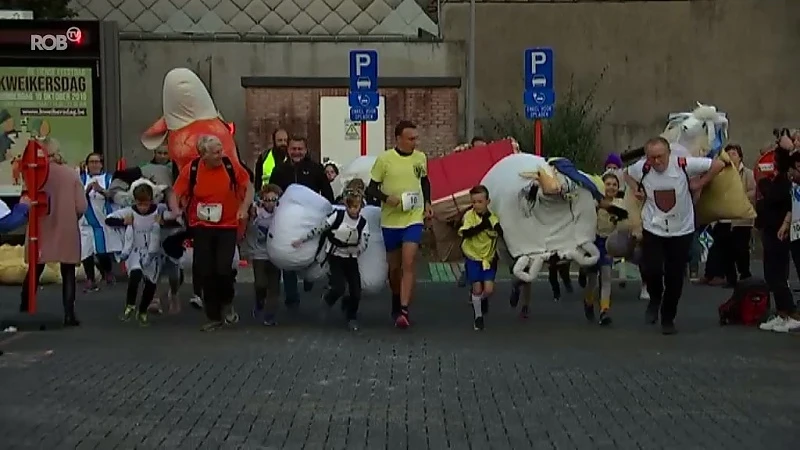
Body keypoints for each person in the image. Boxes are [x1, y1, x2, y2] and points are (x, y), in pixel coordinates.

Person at [625, 136, 725, 335]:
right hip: (654, 227)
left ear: (669, 154)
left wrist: (701, 183)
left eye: (660, 157)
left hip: (681, 230)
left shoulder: (683, 164)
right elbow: (626, 173)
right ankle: (654, 299)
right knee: (651, 268)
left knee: (674, 277)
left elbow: (718, 164)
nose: (656, 162)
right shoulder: (643, 168)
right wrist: (636, 189)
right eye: (651, 158)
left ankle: (668, 317)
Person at [173, 135, 253, 331]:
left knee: (223, 268)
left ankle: (227, 301)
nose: (220, 155)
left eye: (221, 150)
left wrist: (244, 206)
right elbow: (175, 193)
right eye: (216, 152)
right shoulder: (192, 169)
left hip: (227, 226)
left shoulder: (230, 165)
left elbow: (248, 186)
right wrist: (175, 210)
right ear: (203, 155)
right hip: (201, 226)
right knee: (205, 270)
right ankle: (213, 316)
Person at [367, 120, 433, 329]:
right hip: (391, 219)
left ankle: (404, 309)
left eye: (416, 138)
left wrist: (428, 203)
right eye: (410, 138)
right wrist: (387, 198)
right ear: (398, 138)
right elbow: (371, 189)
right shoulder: (385, 159)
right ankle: (396, 299)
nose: (414, 142)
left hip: (413, 217)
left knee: (409, 262)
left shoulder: (420, 158)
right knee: (394, 269)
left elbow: (424, 181)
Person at [19, 139, 87, 325]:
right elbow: (81, 205)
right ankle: (69, 314)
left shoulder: (33, 173)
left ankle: (25, 306)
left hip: (39, 226)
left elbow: (25, 201)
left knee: (36, 267)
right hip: (66, 226)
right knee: (68, 270)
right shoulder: (70, 174)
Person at [269, 135, 335, 309]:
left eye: (300, 149)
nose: (297, 152)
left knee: (311, 252)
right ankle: (292, 296)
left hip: (310, 220)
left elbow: (327, 192)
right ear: (288, 150)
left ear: (306, 150)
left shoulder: (315, 168)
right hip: (287, 221)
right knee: (288, 252)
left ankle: (309, 278)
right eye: (293, 149)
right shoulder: (280, 170)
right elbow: (272, 191)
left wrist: (330, 210)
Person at [292, 188, 370, 331]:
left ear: (360, 207)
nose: (353, 210)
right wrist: (302, 239)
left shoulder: (363, 223)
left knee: (356, 291)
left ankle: (351, 315)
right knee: (339, 286)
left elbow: (364, 242)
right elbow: (320, 228)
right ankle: (327, 302)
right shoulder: (337, 216)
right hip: (335, 257)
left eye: (356, 207)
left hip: (351, 259)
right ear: (346, 205)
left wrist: (358, 249)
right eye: (350, 206)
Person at [105, 181, 181, 326]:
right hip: (135, 250)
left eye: (146, 204)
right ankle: (130, 305)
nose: (143, 208)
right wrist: (124, 223)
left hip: (152, 253)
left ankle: (143, 310)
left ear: (151, 201)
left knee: (151, 284)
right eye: (140, 204)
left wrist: (163, 222)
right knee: (135, 274)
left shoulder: (158, 211)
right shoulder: (130, 211)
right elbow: (109, 219)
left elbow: (177, 220)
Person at [757, 139, 800, 333]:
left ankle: (791, 313)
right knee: (770, 274)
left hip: (779, 232)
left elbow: (773, 196)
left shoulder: (784, 181)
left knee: (778, 275)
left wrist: (764, 181)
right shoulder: (775, 180)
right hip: (768, 229)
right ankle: (781, 312)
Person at [584, 173, 626, 326]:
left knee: (606, 277)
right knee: (592, 280)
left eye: (614, 184)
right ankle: (588, 301)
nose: (611, 187)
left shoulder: (620, 204)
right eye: (608, 184)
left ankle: (604, 310)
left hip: (608, 243)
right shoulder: (595, 203)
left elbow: (625, 221)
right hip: (594, 241)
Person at [458, 185, 502, 331]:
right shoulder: (469, 216)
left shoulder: (492, 217)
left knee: (488, 290)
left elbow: (499, 231)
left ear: (487, 201)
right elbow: (465, 233)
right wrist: (483, 226)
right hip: (473, 256)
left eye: (480, 201)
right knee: (477, 288)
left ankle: (481, 300)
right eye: (474, 202)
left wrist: (492, 226)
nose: (476, 205)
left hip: (488, 258)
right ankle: (478, 317)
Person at [79, 152, 122, 292]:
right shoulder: (81, 179)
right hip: (86, 221)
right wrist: (87, 191)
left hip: (103, 221)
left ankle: (107, 272)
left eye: (97, 162)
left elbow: (115, 196)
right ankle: (90, 279)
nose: (94, 164)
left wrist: (101, 190)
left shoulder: (109, 178)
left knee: (102, 251)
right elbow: (76, 198)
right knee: (86, 252)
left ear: (101, 164)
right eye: (91, 162)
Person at [245, 183, 283, 326]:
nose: (270, 203)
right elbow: (248, 228)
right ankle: (259, 301)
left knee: (274, 287)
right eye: (267, 200)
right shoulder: (257, 213)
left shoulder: (281, 213)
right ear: (262, 200)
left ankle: (270, 316)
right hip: (259, 254)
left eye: (274, 200)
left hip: (275, 254)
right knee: (260, 283)